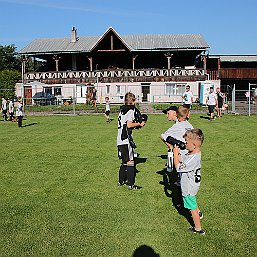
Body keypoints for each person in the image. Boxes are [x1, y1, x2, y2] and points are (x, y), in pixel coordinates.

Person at [173, 128, 205, 235]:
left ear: (194, 145)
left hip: (189, 187)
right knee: (193, 203)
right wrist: (178, 155)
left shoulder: (193, 158)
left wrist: (174, 155)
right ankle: (199, 214)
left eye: (187, 143)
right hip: (192, 186)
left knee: (191, 209)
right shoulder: (193, 154)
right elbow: (183, 159)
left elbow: (178, 168)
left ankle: (198, 229)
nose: (185, 145)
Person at [117, 92, 145, 190]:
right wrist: (139, 124)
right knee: (130, 161)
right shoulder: (131, 111)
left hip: (119, 139)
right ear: (132, 101)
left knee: (124, 161)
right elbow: (129, 125)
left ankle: (121, 181)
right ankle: (131, 185)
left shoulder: (122, 110)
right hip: (125, 139)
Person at [161, 105, 193, 174]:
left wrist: (170, 146)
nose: (167, 116)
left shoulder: (178, 125)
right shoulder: (188, 124)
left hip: (183, 152)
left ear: (175, 113)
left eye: (168, 113)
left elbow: (163, 136)